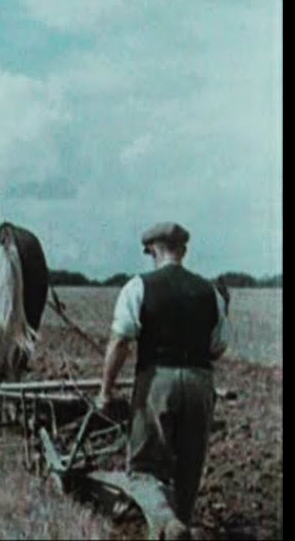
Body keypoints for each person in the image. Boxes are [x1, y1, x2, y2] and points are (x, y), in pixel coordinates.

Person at [95, 222, 229, 539]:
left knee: (143, 470)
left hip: (157, 382)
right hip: (200, 382)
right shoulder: (210, 292)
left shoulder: (138, 287)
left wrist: (106, 390)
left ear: (153, 250)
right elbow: (218, 346)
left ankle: (166, 523)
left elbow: (120, 342)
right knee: (189, 467)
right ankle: (181, 522)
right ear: (183, 251)